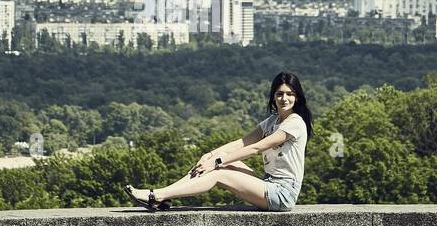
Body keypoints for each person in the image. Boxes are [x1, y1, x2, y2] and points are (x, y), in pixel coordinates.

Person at [126, 72, 312, 212]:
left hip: (283, 194)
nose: (284, 99)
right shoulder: (272, 121)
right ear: (273, 96)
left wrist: (218, 163)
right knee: (214, 158)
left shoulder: (294, 123)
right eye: (279, 94)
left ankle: (156, 196)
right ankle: (162, 195)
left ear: (297, 97)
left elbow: (256, 147)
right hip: (268, 183)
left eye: (290, 94)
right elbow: (242, 142)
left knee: (218, 173)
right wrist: (211, 155)